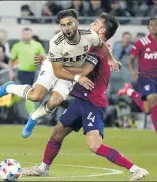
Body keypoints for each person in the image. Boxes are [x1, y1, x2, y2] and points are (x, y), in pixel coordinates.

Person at [22, 18, 148, 180]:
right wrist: (50, 59)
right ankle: (43, 168)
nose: (90, 25)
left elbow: (83, 70)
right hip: (80, 100)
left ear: (102, 31)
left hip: (93, 103)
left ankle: (135, 169)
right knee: (57, 133)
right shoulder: (92, 46)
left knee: (95, 146)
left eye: (95, 23)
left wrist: (53, 64)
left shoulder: (97, 50)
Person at [0, 10, 121, 137]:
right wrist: (75, 76)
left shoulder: (90, 36)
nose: (67, 28)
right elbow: (58, 71)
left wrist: (111, 59)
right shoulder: (56, 42)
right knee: (36, 96)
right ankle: (9, 87)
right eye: (63, 25)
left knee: (54, 101)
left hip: (71, 69)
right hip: (55, 67)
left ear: (76, 24)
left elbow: (102, 46)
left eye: (69, 24)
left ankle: (33, 117)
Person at [118, 18, 157, 132]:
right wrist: (133, 72)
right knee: (153, 98)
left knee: (147, 110)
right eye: (151, 25)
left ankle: (129, 91)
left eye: (156, 25)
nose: (154, 27)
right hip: (145, 77)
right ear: (148, 28)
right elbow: (130, 60)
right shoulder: (142, 42)